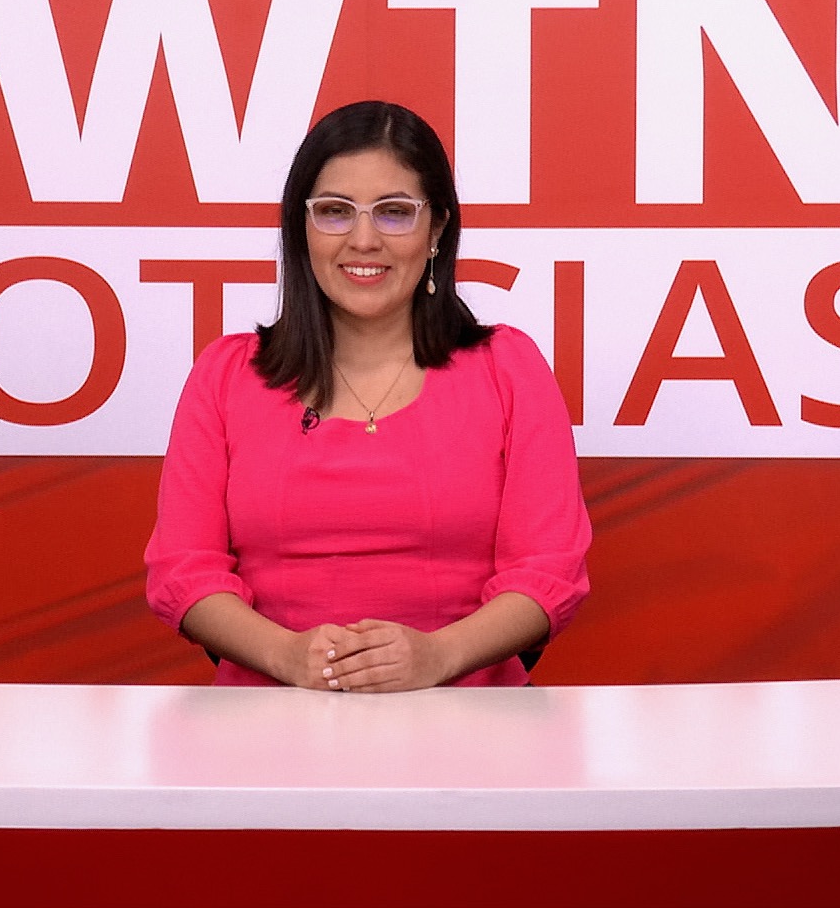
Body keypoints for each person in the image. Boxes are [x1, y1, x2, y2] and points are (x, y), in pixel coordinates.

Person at [144, 101, 591, 691]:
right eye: (334, 211)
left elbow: (549, 574)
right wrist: (287, 656)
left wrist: (437, 657)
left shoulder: (508, 368)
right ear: (302, 228)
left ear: (437, 230)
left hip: (474, 718)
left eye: (394, 213)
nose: (363, 239)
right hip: (267, 719)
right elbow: (183, 572)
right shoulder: (225, 375)